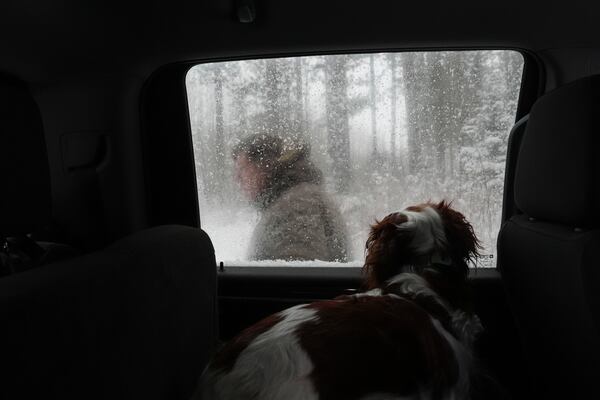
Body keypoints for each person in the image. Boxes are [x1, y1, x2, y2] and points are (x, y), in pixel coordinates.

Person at [232, 133, 348, 262]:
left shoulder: (297, 205)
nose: (237, 178)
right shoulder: (293, 199)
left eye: (242, 169)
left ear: (264, 165)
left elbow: (298, 276)